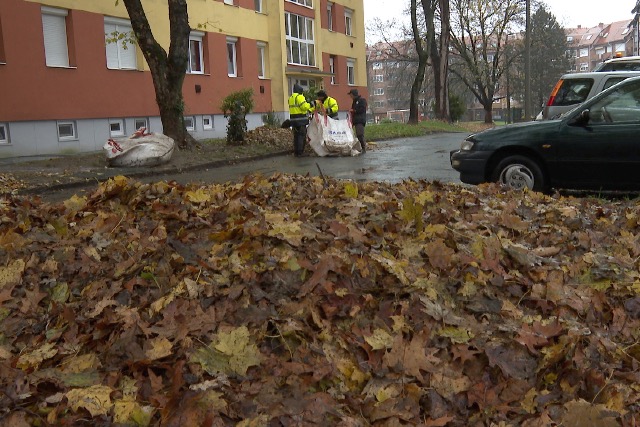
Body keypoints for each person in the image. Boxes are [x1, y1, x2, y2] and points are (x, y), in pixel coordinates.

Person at [288, 83, 312, 156]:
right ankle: (300, 152)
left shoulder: (291, 97)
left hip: (293, 120)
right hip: (301, 120)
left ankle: (296, 152)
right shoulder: (300, 97)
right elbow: (304, 107)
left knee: (296, 136)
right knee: (301, 136)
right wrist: (310, 104)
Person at [348, 89, 367, 153]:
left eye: (351, 95)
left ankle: (363, 148)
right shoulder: (354, 101)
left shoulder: (362, 100)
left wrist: (354, 111)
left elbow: (362, 109)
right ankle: (360, 147)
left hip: (360, 120)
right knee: (355, 134)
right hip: (355, 120)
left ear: (353, 94)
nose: (350, 97)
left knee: (360, 134)